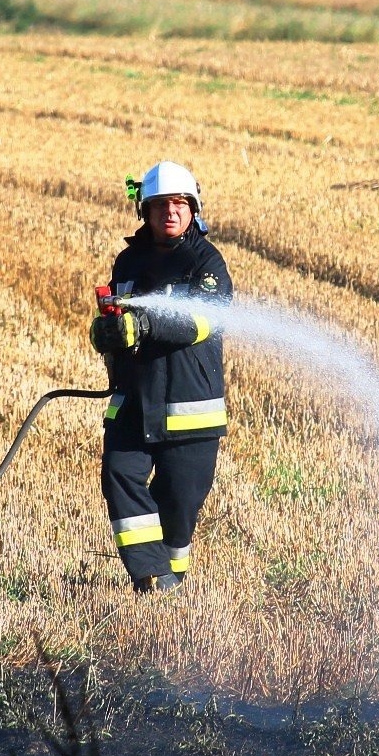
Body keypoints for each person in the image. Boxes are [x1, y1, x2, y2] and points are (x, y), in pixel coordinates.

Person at [90, 160, 233, 593]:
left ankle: (171, 579)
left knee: (179, 502)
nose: (170, 212)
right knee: (120, 474)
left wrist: (148, 325)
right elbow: (120, 321)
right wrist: (107, 334)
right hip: (135, 400)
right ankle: (151, 576)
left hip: (191, 409)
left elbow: (204, 321)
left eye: (179, 203)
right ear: (145, 212)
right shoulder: (128, 262)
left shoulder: (206, 261)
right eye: (160, 205)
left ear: (193, 209)